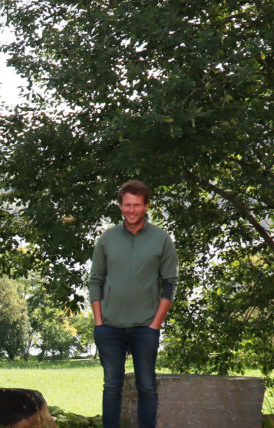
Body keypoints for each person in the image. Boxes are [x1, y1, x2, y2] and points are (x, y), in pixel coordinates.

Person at [87, 180, 178, 428]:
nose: (131, 210)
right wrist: (99, 322)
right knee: (111, 386)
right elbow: (95, 280)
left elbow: (170, 284)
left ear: (146, 206)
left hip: (145, 327)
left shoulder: (161, 239)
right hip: (110, 327)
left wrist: (155, 324)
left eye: (137, 205)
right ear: (120, 206)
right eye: (127, 205)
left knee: (147, 386)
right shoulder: (107, 239)